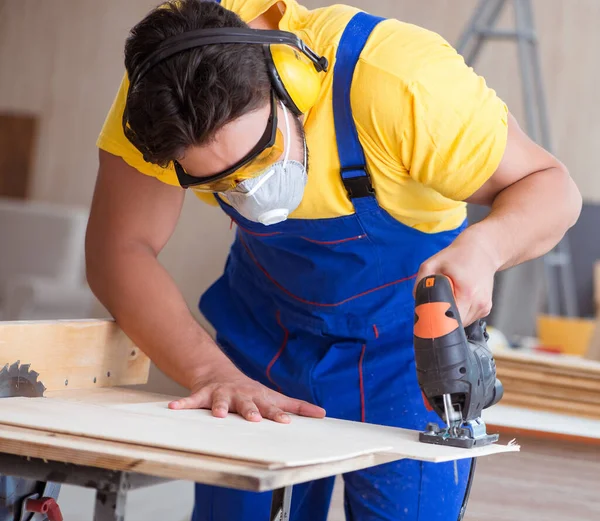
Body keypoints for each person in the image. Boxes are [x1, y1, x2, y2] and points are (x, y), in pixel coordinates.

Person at [86, 0, 581, 520]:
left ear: (291, 85)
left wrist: (486, 247)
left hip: (403, 355)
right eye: (219, 182)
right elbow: (118, 250)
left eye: (261, 156)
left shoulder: (401, 83)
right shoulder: (160, 93)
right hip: (261, 346)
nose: (250, 190)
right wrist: (211, 373)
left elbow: (551, 187)